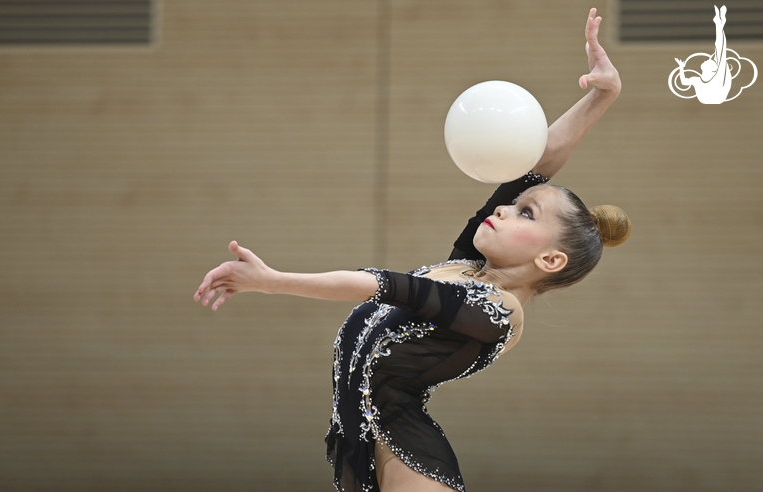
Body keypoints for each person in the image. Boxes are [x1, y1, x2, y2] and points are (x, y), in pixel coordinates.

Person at [194, 8, 628, 492]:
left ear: (549, 260)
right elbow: (533, 168)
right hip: (365, 447)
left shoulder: (498, 311)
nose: (504, 208)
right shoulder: (468, 265)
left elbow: (380, 285)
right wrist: (601, 95)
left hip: (406, 456)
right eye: (513, 205)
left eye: (525, 214)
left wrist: (273, 282)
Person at [675, 5, 731, 104]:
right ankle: (719, 23)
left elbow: (721, 49)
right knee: (720, 52)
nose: (707, 59)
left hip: (715, 96)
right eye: (710, 60)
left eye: (710, 61)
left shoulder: (716, 77)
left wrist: (719, 26)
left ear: (712, 69)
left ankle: (719, 23)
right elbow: (684, 82)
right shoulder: (699, 80)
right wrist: (681, 67)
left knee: (720, 51)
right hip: (712, 97)